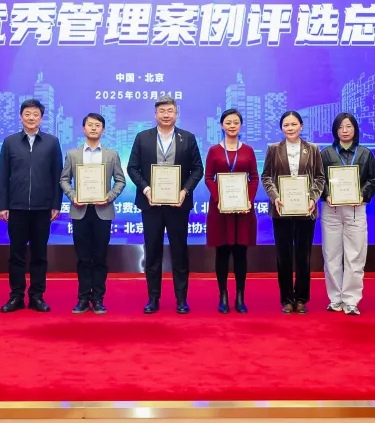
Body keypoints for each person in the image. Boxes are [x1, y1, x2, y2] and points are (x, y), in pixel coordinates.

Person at [127, 95, 205, 314]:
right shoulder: (143, 137)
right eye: (162, 111)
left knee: (179, 251)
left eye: (170, 111)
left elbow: (197, 169)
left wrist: (184, 191)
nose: (166, 115)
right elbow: (132, 167)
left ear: (176, 114)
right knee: (152, 251)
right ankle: (153, 298)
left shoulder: (187, 138)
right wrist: (146, 189)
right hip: (151, 204)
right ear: (155, 114)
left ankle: (181, 299)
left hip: (178, 205)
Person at [0, 99, 63, 313]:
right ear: (21, 116)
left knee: (39, 255)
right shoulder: (10, 142)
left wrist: (56, 204)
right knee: (16, 255)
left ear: (41, 118)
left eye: (36, 114)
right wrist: (3, 205)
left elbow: (57, 175)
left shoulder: (52, 142)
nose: (31, 117)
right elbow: (3, 175)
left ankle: (37, 296)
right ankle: (16, 296)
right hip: (16, 208)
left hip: (42, 208)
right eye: (27, 114)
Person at [60, 113, 127, 314]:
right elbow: (64, 179)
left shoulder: (111, 154)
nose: (94, 128)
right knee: (82, 258)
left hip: (102, 211)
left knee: (100, 257)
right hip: (80, 211)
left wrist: (109, 197)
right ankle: (82, 298)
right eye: (90, 125)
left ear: (103, 130)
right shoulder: (73, 154)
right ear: (83, 128)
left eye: (97, 125)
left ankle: (98, 298)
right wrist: (73, 196)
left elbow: (120, 180)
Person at [261, 111, 326, 314]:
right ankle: (287, 299)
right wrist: (275, 197)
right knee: (284, 255)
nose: (290, 128)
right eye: (286, 125)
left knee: (303, 256)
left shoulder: (313, 149)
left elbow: (320, 178)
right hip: (281, 210)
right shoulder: (273, 149)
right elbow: (266, 177)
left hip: (306, 210)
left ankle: (302, 299)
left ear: (301, 126)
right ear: (282, 128)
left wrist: (312, 198)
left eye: (294, 124)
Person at [319, 113, 375, 316]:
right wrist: (327, 194)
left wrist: (362, 195)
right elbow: (319, 179)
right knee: (331, 255)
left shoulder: (365, 153)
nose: (344, 130)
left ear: (355, 129)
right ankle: (335, 299)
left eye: (348, 126)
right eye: (340, 127)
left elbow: (374, 179)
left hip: (356, 208)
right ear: (335, 130)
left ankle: (351, 300)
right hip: (332, 209)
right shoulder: (326, 153)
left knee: (355, 255)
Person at [203, 108, 259, 314]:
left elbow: (254, 177)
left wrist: (248, 199)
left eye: (236, 122)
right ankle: (223, 295)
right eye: (228, 122)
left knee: (241, 253)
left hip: (243, 210)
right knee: (222, 253)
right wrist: (220, 199)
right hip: (220, 209)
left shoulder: (249, 151)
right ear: (221, 125)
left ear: (240, 125)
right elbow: (208, 177)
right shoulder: (214, 151)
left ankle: (240, 296)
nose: (232, 125)